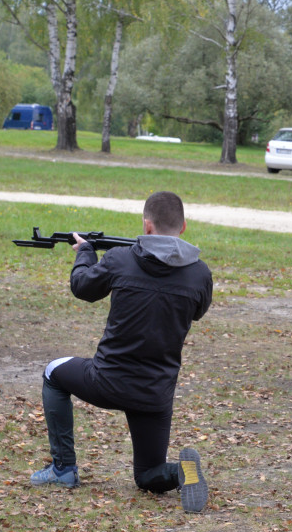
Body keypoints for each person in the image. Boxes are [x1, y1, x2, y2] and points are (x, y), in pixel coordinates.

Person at [30, 191, 213, 514]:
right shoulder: (200, 274)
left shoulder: (118, 259)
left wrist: (85, 252)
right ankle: (180, 473)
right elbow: (196, 311)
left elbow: (82, 287)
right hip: (155, 394)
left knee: (53, 372)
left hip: (106, 381)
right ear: (183, 227)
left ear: (146, 225)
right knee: (147, 476)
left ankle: (63, 469)